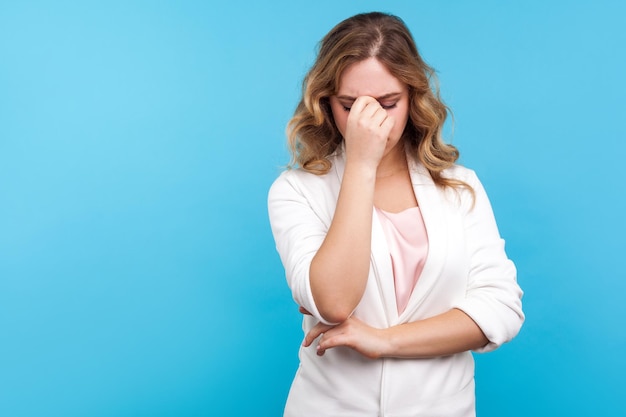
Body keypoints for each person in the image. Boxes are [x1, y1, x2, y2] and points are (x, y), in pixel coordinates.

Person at [267, 11, 524, 417]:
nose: (371, 123)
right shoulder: (297, 191)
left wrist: (384, 340)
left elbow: (502, 309)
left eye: (387, 104)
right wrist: (361, 165)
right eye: (350, 105)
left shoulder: (461, 186)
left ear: (413, 97)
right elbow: (333, 302)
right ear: (325, 102)